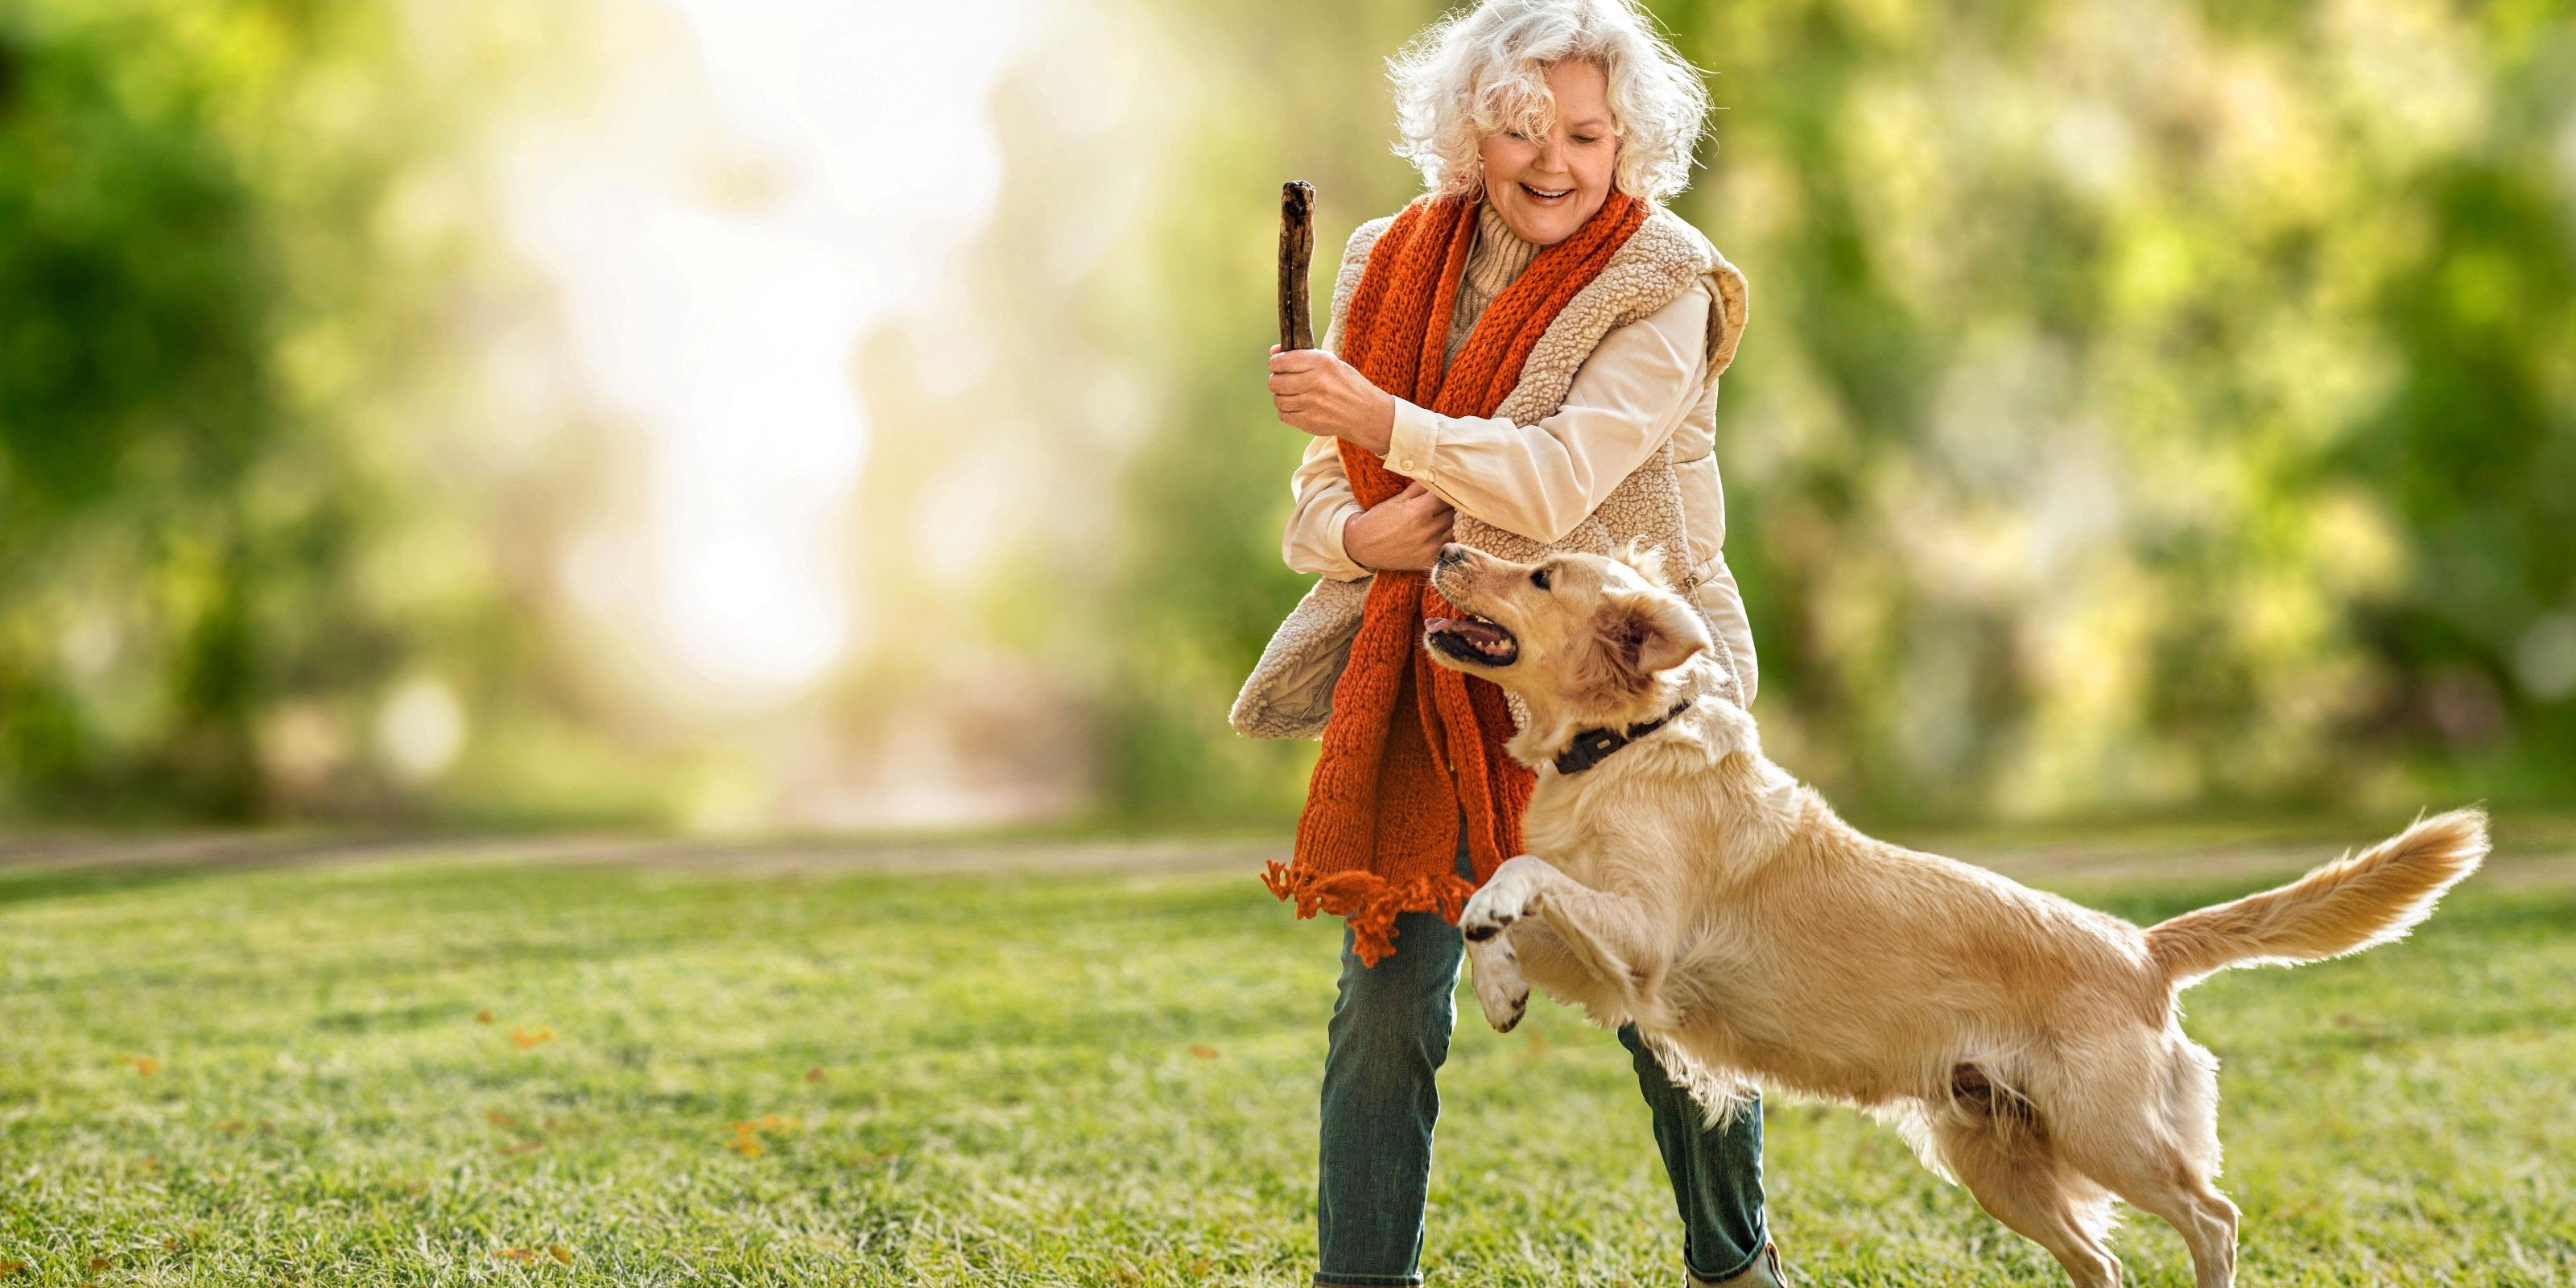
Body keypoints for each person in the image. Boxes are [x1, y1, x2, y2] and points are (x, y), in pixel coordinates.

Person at [1258, 2, 1780, 1285]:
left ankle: (1738, 1267)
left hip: (1629, 691)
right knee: (1384, 1007)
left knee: (1669, 999)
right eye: (1521, 129)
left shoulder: (1667, 281)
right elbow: (1326, 495)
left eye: (1588, 136)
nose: (1555, 163)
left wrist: (1382, 412)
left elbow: (1552, 484)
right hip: (1441, 670)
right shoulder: (1388, 260)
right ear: (1467, 133)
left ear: (1629, 144)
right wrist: (1359, 543)